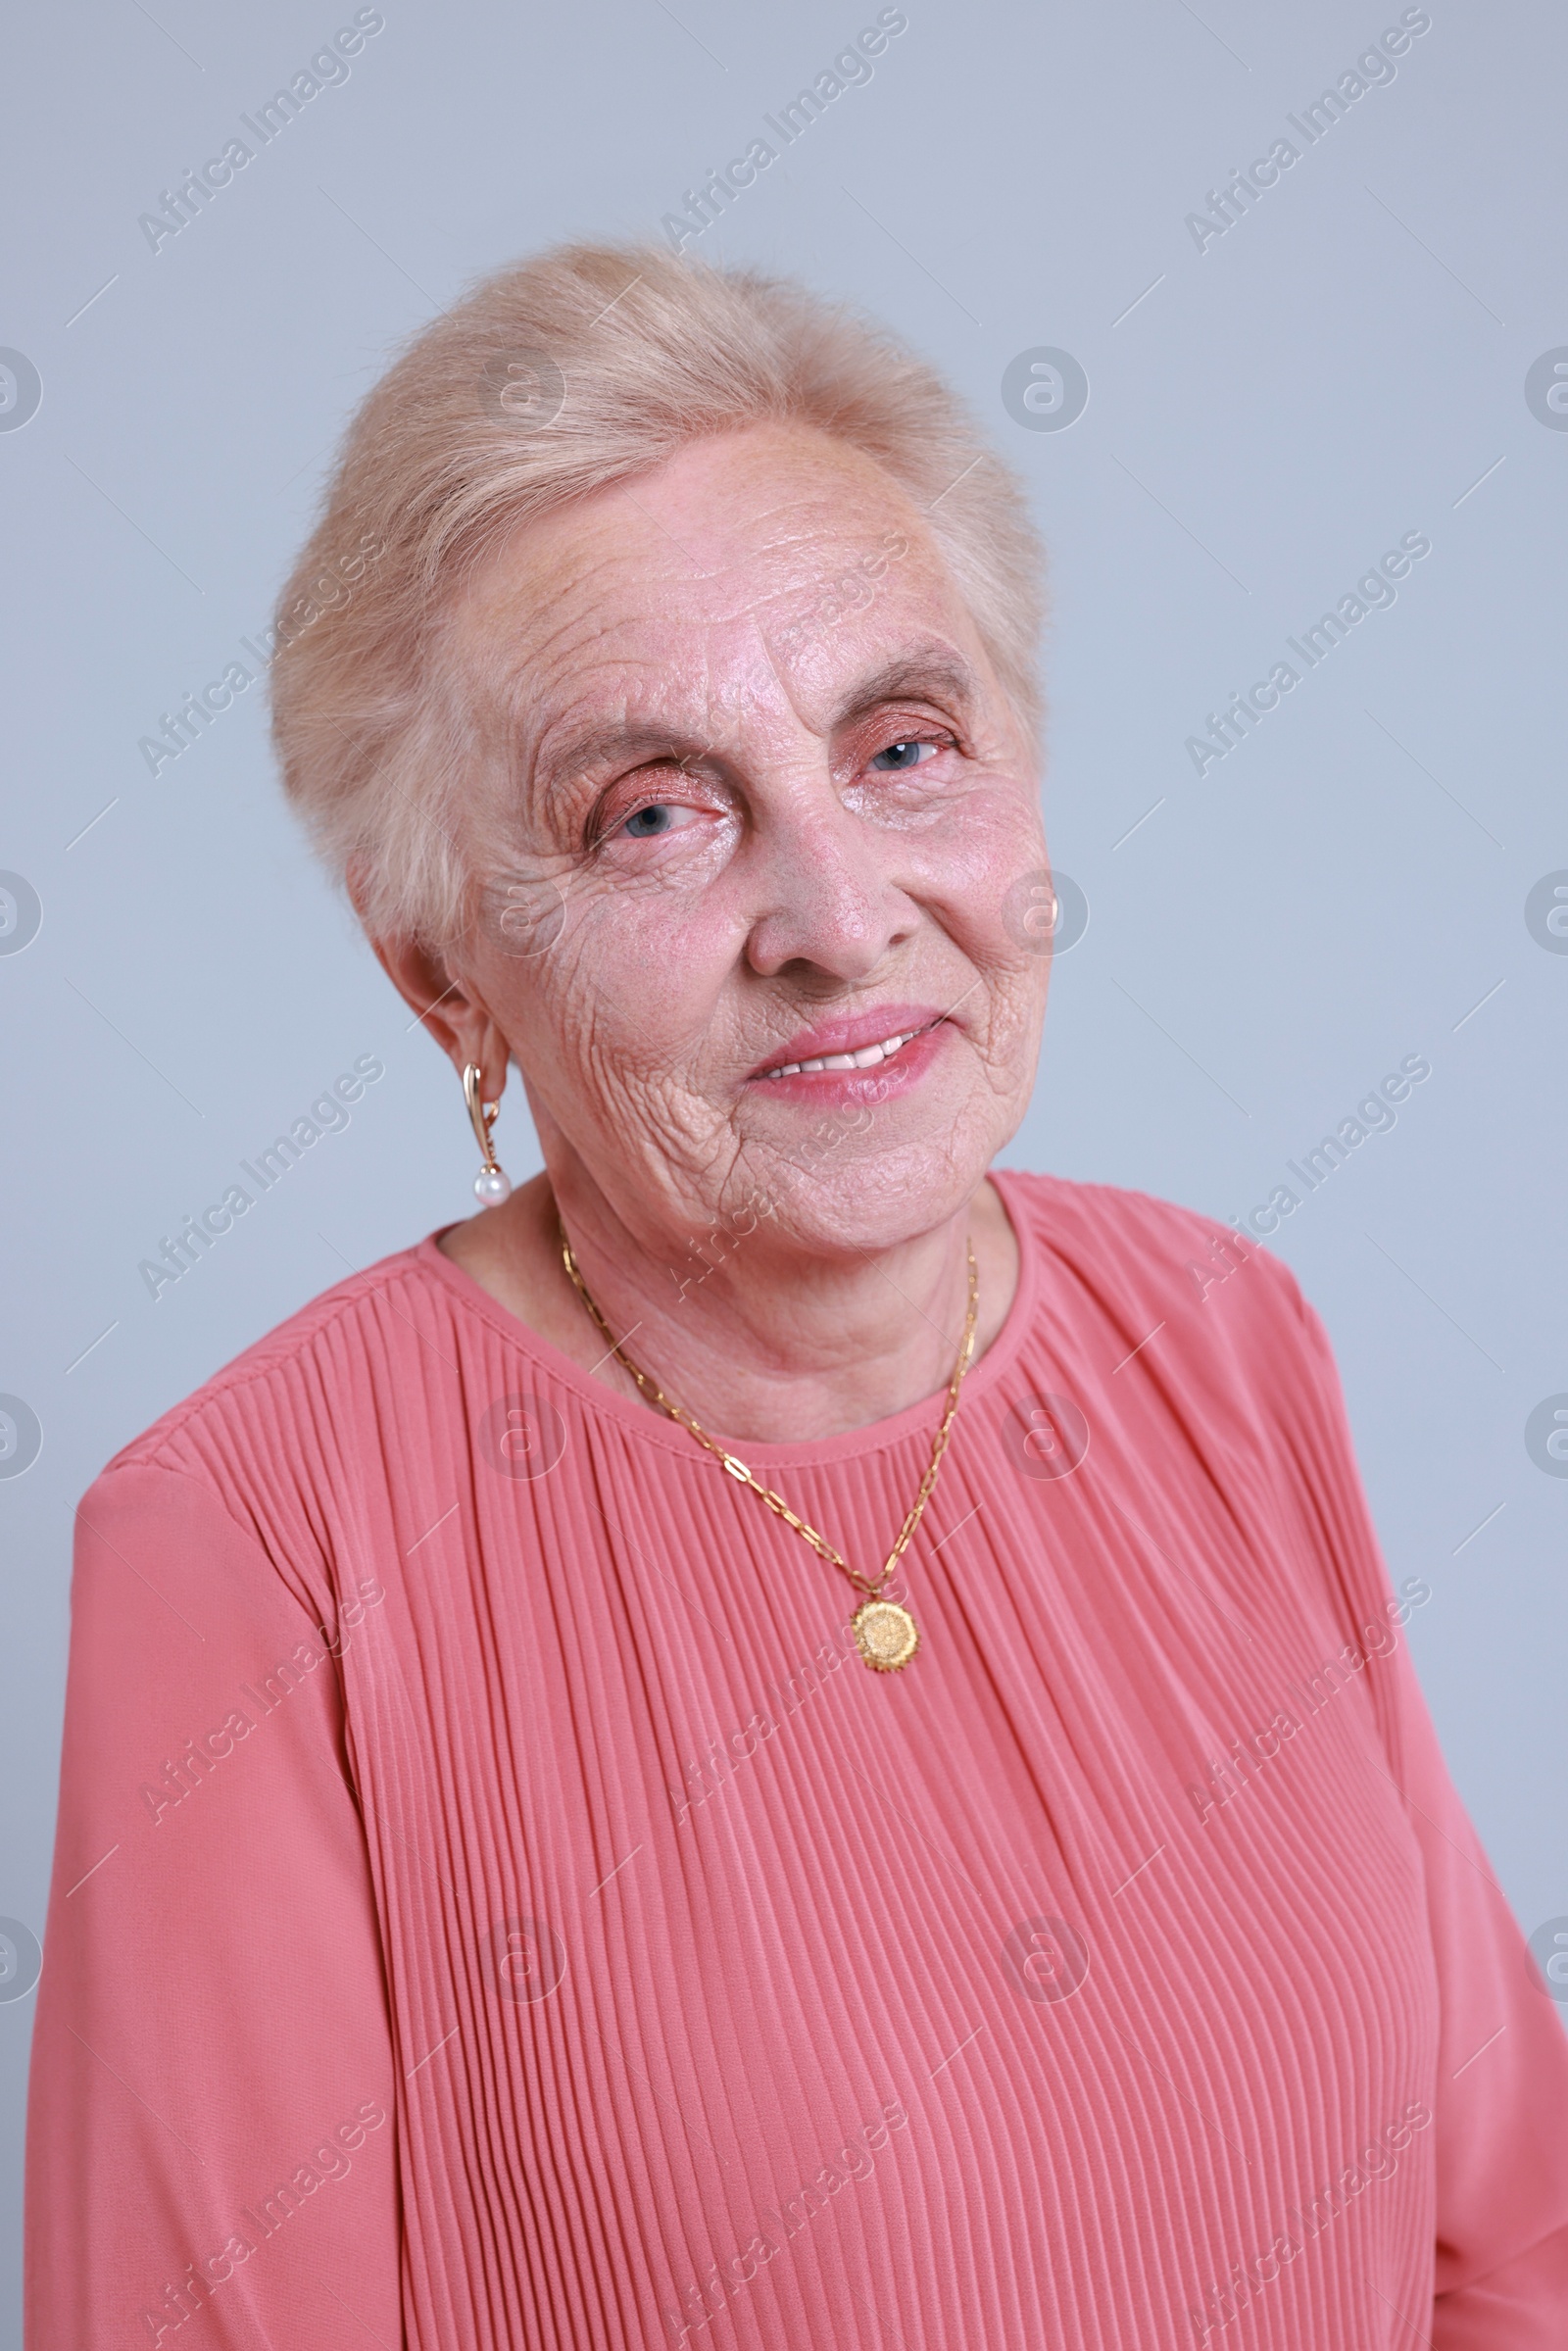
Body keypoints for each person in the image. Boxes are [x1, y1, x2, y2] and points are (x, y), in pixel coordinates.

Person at [26, 242, 1568, 2349]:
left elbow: (1506, 2242)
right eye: (654, 812)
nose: (839, 920)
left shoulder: (1215, 1333)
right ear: (447, 976)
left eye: (903, 746)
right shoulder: (252, 1543)